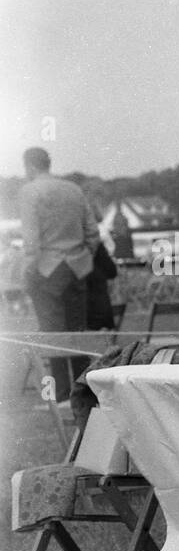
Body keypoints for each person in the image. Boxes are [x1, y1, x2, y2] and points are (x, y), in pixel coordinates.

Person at [18, 147, 101, 400]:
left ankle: (57, 394)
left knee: (50, 336)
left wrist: (26, 272)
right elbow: (93, 234)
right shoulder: (74, 190)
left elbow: (31, 242)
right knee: (76, 334)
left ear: (29, 166)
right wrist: (83, 259)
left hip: (47, 269)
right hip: (77, 268)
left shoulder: (29, 192)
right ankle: (82, 391)